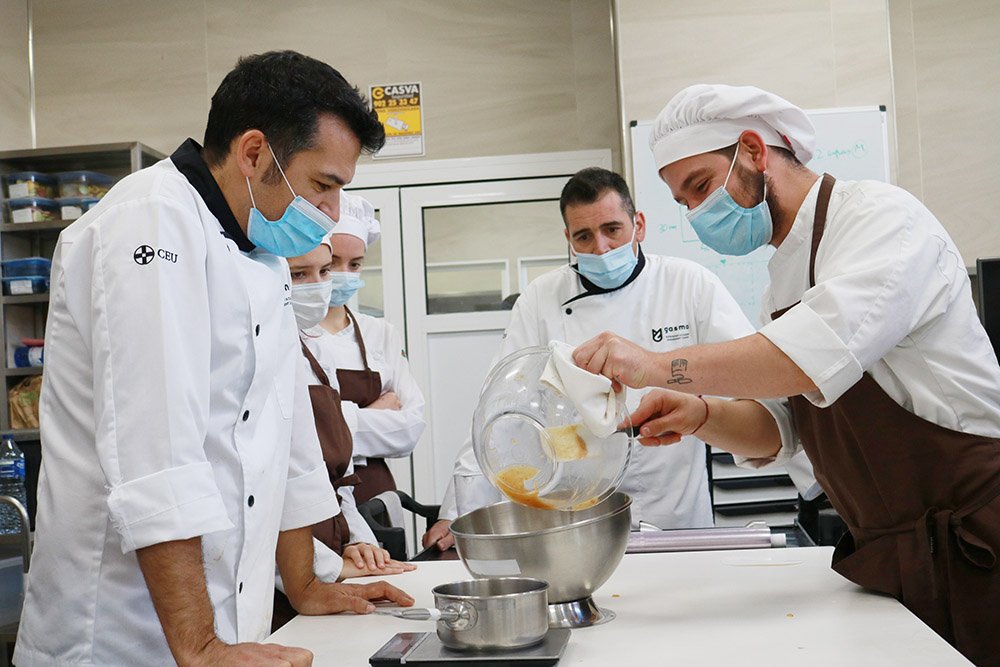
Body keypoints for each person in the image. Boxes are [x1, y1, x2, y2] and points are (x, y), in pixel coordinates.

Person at [573, 84, 1000, 666]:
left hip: (978, 542)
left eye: (700, 186)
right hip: (891, 555)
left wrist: (653, 365)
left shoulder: (881, 219)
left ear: (753, 150)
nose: (698, 214)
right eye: (683, 202)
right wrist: (699, 414)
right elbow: (781, 428)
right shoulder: (782, 284)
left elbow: (805, 357)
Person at [15, 51, 413, 667]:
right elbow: (157, 450)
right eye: (323, 185)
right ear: (254, 153)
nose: (332, 214)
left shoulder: (261, 254)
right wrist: (198, 647)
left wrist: (304, 584)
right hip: (127, 634)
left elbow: (290, 436)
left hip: (229, 619)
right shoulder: (148, 223)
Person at [423, 167, 806, 550]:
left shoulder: (689, 284)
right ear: (568, 239)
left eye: (612, 230)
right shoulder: (542, 298)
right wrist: (458, 511)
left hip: (672, 506)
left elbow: (755, 379)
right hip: (575, 510)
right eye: (584, 237)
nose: (601, 248)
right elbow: (498, 406)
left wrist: (812, 477)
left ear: (638, 225)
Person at [299, 193, 427, 505]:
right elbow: (302, 432)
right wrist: (373, 414)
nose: (344, 273)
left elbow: (410, 428)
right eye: (333, 264)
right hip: (316, 492)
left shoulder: (381, 333)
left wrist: (337, 425)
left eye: (355, 264)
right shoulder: (293, 331)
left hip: (376, 493)